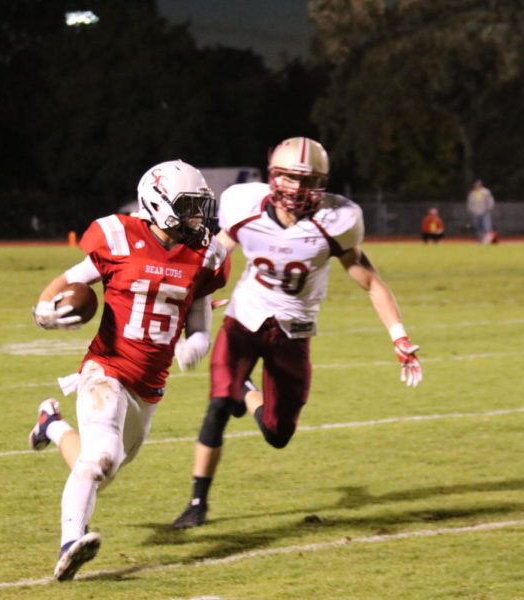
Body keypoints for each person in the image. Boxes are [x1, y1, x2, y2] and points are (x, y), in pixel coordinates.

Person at [170, 137, 423, 530]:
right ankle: (197, 502)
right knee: (218, 405)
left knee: (277, 434)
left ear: (322, 182)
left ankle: (246, 390)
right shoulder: (244, 204)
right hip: (244, 318)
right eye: (289, 177)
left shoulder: (336, 220)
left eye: (308, 180)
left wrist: (399, 336)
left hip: (293, 331)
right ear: (273, 176)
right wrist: (191, 302)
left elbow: (371, 282)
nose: (297, 188)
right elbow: (216, 253)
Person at [27, 160, 230, 580]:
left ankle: (51, 425)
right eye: (188, 206)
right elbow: (65, 282)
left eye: (199, 206)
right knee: (99, 458)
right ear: (157, 204)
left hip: (149, 386)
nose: (197, 216)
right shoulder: (120, 237)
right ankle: (70, 542)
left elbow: (196, 315)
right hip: (107, 369)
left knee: (103, 468)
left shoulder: (204, 254)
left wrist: (197, 341)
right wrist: (44, 312)